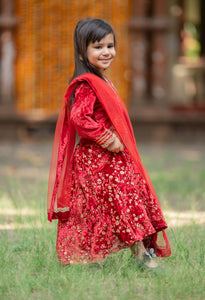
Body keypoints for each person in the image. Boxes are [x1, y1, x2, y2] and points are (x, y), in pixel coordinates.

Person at [47, 18, 171, 269]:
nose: (106, 52)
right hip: (97, 159)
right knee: (106, 206)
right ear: (82, 51)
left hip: (114, 160)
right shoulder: (86, 84)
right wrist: (108, 138)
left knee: (129, 200)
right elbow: (79, 118)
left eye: (110, 46)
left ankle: (140, 253)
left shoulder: (102, 80)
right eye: (98, 47)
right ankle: (88, 256)